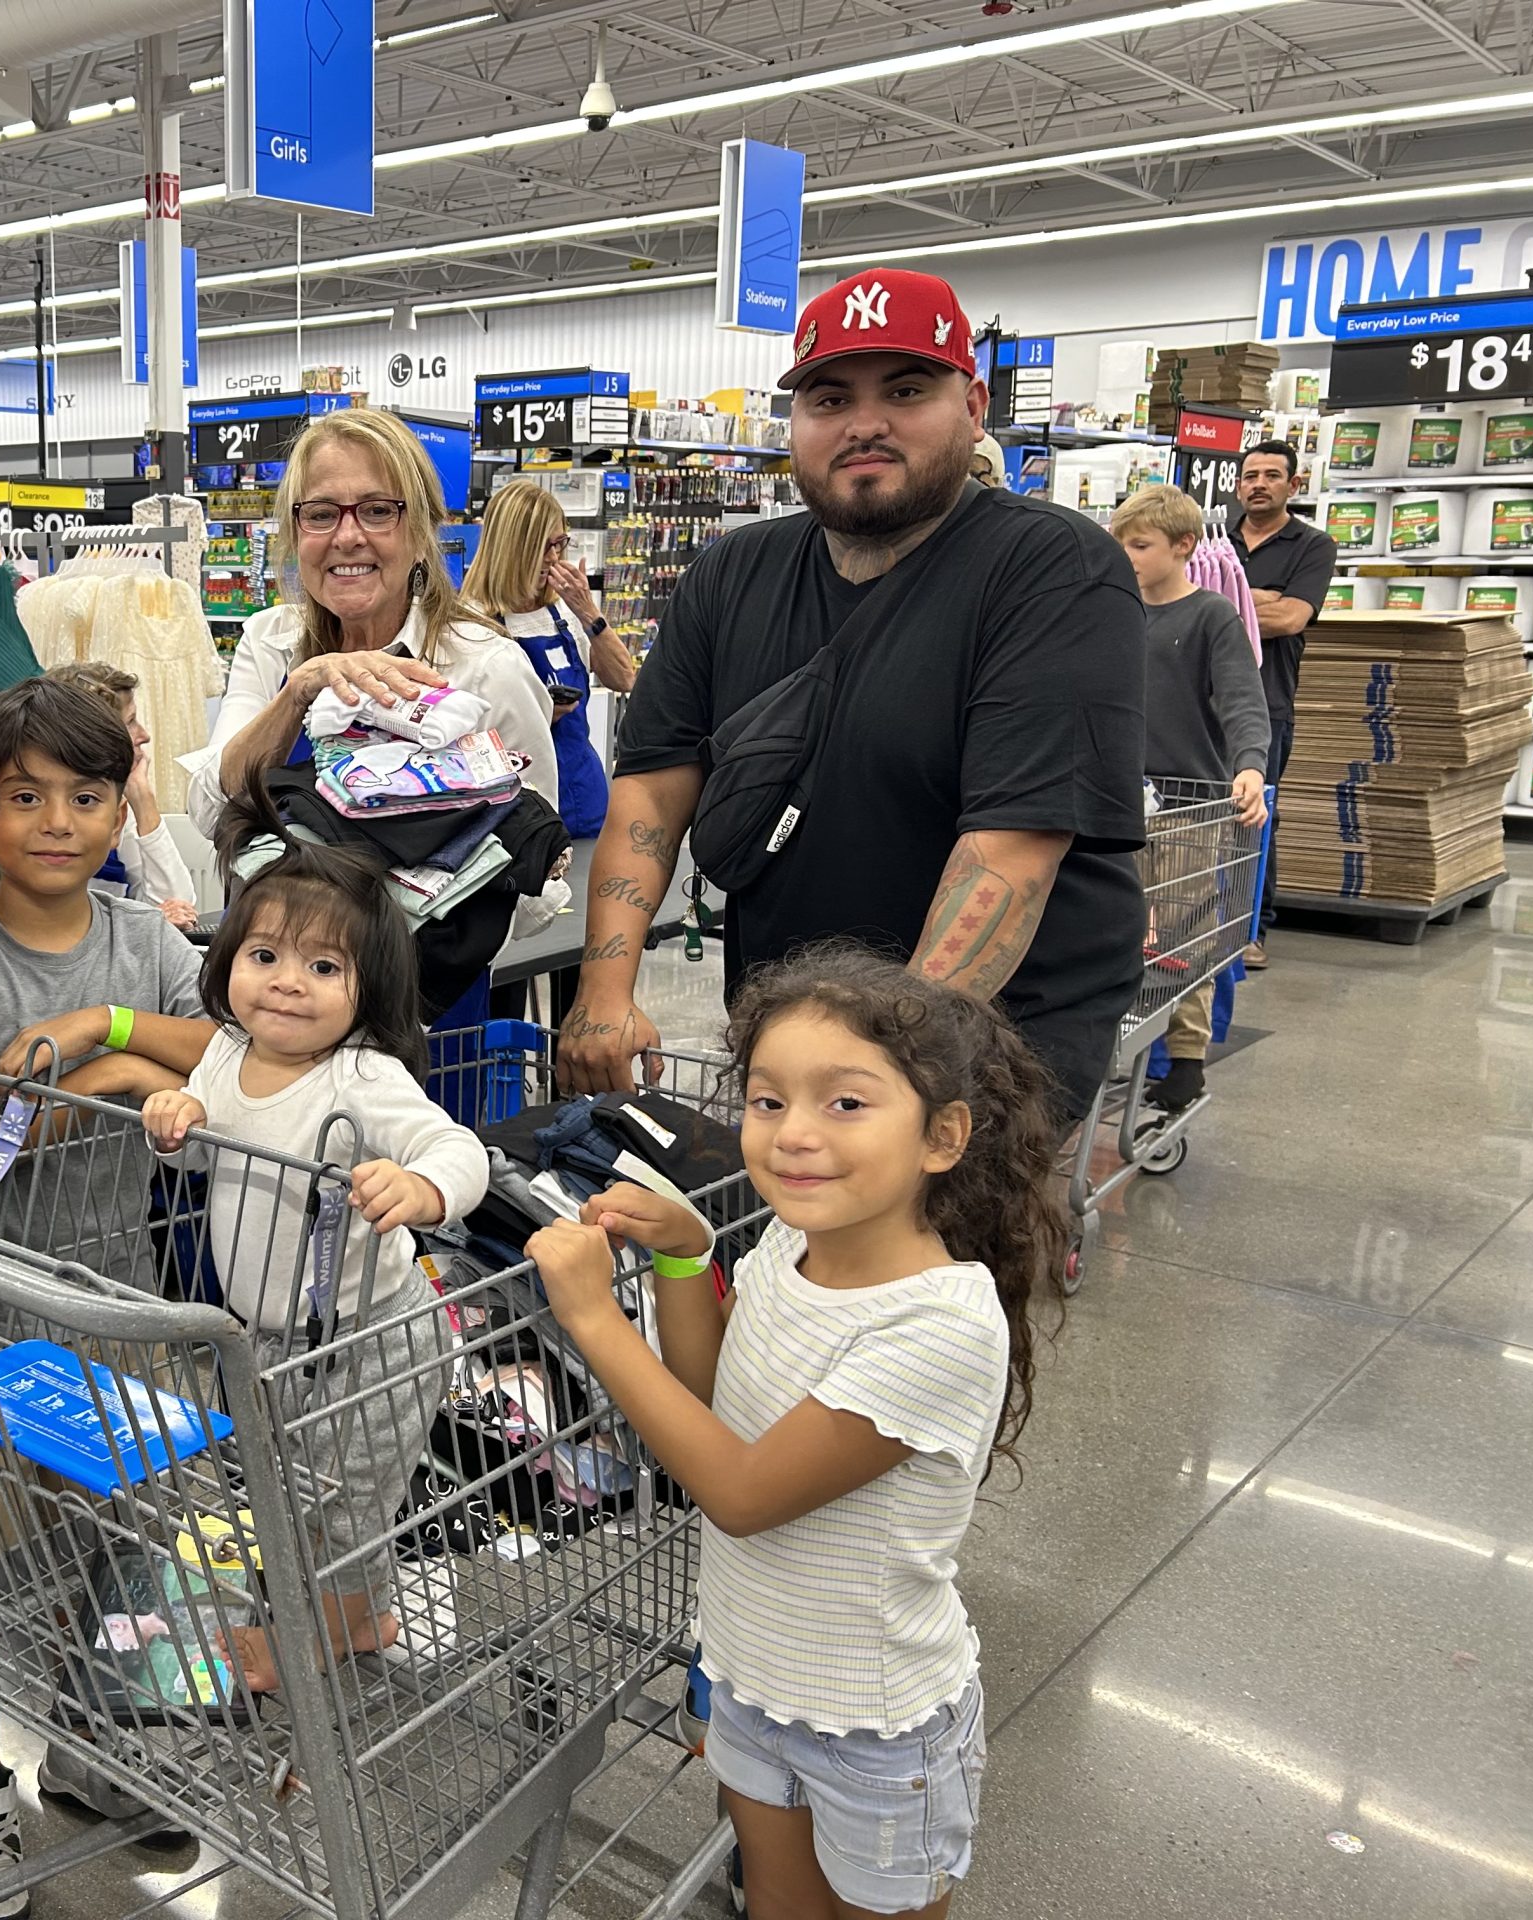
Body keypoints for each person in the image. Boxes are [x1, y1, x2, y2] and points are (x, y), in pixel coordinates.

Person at [527, 944, 1067, 1920]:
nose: (792, 1135)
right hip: (750, 1678)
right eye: (768, 1101)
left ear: (942, 1137)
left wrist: (595, 1323)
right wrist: (689, 1260)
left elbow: (739, 1493)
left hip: (876, 1723)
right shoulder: (790, 1244)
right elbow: (717, 1404)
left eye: (845, 1103)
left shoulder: (937, 1324)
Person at [560, 268, 1148, 1120]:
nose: (865, 424)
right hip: (788, 1033)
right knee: (774, 1253)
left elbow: (1010, 850)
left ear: (973, 406)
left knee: (936, 1254)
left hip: (984, 1050)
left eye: (906, 390)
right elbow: (653, 787)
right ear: (795, 422)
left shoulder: (1051, 568)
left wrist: (886, 1067)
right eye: (829, 399)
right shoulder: (731, 572)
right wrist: (605, 992)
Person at [0, 676, 217, 1906]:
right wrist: (106, 1078)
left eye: (86, 796)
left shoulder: (145, 942)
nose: (57, 821)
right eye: (25, 797)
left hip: (123, 1297)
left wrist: (96, 1045)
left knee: (129, 1540)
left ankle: (98, 1746)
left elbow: (229, 1050)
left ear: (119, 807)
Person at [143, 812, 485, 1693]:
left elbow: (459, 1151)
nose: (288, 984)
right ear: (226, 967)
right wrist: (176, 1122)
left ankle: (315, 1641)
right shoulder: (223, 1055)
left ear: (365, 990)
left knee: (338, 1507)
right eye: (264, 958)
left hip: (374, 1341)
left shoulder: (361, 1076)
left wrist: (422, 1190)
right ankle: (364, 1615)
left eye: (323, 968)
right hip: (273, 1338)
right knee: (303, 1496)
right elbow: (213, 1145)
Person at [189, 407, 560, 1029]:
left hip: (418, 1018)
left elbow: (533, 867)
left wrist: (415, 927)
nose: (348, 536)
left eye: (378, 510)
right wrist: (299, 692)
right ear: (295, 529)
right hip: (270, 1002)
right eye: (322, 513)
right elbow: (212, 807)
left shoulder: (483, 668)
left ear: (419, 531)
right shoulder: (271, 643)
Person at [1112, 485, 1271, 1112]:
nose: (1127, 556)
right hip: (1119, 804)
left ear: (1184, 547)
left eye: (1140, 545)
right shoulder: (1110, 612)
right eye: (1120, 543)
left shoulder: (1210, 617)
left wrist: (1250, 767)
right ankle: (1114, 1050)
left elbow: (1242, 701)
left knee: (1180, 941)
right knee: (1122, 933)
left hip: (1189, 806)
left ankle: (1184, 1061)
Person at [461, 481, 638, 839]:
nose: (555, 558)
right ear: (513, 547)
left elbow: (624, 678)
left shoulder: (564, 612)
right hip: (512, 808)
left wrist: (588, 612)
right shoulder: (469, 621)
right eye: (545, 547)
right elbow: (460, 730)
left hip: (583, 798)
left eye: (560, 543)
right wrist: (536, 711)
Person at [0, 659, 199, 926]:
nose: (143, 735)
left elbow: (178, 905)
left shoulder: (111, 810)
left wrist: (142, 798)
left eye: (84, 799)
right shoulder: (10, 829)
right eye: (131, 722)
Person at [1228, 439, 1336, 970]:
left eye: (1272, 475)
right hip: (1204, 700)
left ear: (1293, 485)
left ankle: (1252, 930)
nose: (1259, 484)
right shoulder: (1215, 540)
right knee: (1195, 816)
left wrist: (1221, 601)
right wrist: (1259, 598)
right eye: (1250, 475)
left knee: (1254, 815)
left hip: (1267, 702)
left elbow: (1292, 617)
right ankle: (1200, 926)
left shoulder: (1312, 546)